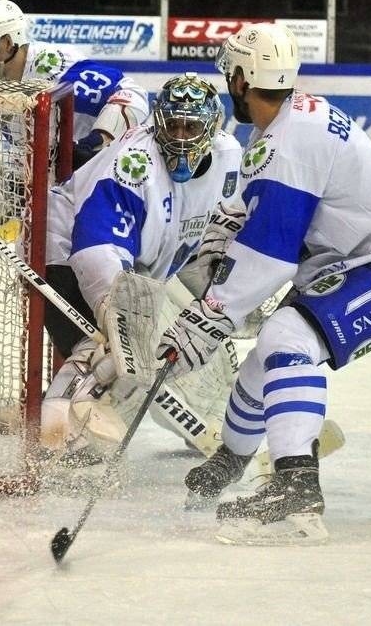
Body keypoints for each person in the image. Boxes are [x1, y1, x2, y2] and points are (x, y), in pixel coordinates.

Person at [156, 23, 371, 545]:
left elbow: (270, 255)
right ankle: (231, 461)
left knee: (287, 340)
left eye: (230, 74)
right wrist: (230, 222)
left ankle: (296, 486)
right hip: (365, 263)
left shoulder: (288, 142)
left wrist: (209, 317)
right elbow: (263, 207)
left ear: (243, 79)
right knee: (270, 348)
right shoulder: (290, 123)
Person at [38, 72, 247, 462]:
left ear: (213, 127)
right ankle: (59, 439)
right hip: (61, 249)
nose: (182, 137)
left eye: (192, 126)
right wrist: (117, 311)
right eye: (174, 125)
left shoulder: (229, 156)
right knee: (102, 350)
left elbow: (223, 222)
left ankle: (209, 421)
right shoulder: (133, 165)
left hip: (145, 266)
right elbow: (96, 246)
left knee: (186, 347)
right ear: (158, 122)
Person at [0, 0, 150, 168]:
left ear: (8, 43)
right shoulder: (2, 84)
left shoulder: (50, 67)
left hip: (110, 173)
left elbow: (132, 94)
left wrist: (95, 143)